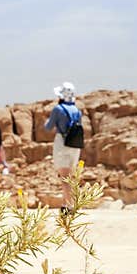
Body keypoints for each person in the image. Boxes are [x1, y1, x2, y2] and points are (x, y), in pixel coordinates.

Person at [44, 81, 82, 212]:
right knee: (70, 176)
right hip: (75, 144)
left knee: (64, 177)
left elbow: (48, 127)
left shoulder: (58, 109)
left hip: (62, 142)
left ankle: (68, 206)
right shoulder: (77, 110)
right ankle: (68, 204)